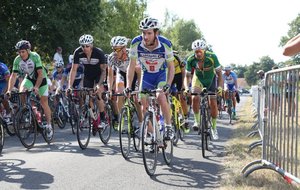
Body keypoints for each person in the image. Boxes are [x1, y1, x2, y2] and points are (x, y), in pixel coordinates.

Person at [125, 17, 175, 140]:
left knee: (161, 97)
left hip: (161, 74)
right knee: (143, 104)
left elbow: (171, 67)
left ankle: (168, 126)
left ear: (156, 33)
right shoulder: (136, 43)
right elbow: (131, 67)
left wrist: (168, 84)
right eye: (143, 32)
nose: (145, 36)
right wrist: (127, 86)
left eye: (149, 33)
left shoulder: (165, 43)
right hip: (146, 74)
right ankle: (153, 134)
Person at [6, 40, 53, 137]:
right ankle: (26, 111)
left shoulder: (35, 56)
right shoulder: (17, 60)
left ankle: (49, 125)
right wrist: (9, 90)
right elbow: (13, 76)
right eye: (19, 52)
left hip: (41, 79)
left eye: (23, 51)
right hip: (30, 78)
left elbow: (40, 74)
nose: (21, 54)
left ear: (28, 51)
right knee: (21, 92)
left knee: (44, 102)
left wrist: (36, 87)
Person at [184, 39, 223, 140]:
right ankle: (197, 121)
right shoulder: (191, 59)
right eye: (196, 51)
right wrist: (186, 88)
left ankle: (214, 128)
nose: (198, 53)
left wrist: (220, 87)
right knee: (195, 98)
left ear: (204, 50)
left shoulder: (212, 57)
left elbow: (219, 74)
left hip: (211, 80)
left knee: (213, 103)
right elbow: (187, 76)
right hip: (198, 79)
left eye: (200, 51)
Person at [68, 34, 107, 128]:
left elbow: (103, 71)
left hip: (99, 75)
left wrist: (98, 84)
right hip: (88, 75)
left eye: (87, 46)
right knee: (87, 94)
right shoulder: (78, 52)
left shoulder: (99, 53)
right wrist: (70, 86)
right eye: (83, 46)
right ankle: (94, 116)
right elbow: (73, 70)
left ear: (92, 45)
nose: (85, 48)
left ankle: (103, 118)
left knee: (98, 94)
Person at [107, 36, 142, 127]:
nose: (115, 52)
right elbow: (110, 75)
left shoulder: (132, 55)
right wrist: (110, 89)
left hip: (135, 75)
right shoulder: (111, 57)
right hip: (121, 74)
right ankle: (122, 118)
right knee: (119, 92)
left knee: (136, 99)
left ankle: (142, 123)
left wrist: (139, 88)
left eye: (117, 49)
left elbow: (139, 72)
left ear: (123, 49)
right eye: (113, 49)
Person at [171, 51, 189, 132]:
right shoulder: (162, 58)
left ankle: (185, 118)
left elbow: (183, 72)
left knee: (182, 97)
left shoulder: (177, 58)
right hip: (169, 76)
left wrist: (183, 86)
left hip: (179, 76)